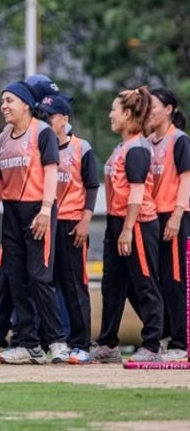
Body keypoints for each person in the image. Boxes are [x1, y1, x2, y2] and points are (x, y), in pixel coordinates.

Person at [0, 81, 68, 365]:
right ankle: (29, 344)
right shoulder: (2, 139)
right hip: (11, 212)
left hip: (38, 209)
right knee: (16, 278)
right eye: (2, 101)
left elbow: (51, 172)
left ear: (26, 104)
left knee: (39, 277)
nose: (4, 106)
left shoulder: (42, 132)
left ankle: (57, 341)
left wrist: (45, 210)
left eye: (10, 100)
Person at [92, 86, 164, 363]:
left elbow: (136, 191)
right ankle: (108, 344)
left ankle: (154, 344)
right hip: (116, 221)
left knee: (145, 284)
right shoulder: (122, 147)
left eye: (114, 110)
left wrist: (127, 230)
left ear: (129, 115)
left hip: (137, 223)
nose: (110, 115)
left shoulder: (138, 148)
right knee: (112, 285)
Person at [39, 94, 98, 364]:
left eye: (50, 116)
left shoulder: (81, 147)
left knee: (75, 286)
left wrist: (85, 221)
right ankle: (51, 341)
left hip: (72, 223)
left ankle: (81, 344)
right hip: (47, 223)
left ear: (64, 118)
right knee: (45, 284)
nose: (46, 120)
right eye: (43, 116)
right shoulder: (40, 146)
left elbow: (92, 186)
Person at [147, 87, 190, 361]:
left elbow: (187, 179)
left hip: (174, 215)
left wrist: (177, 215)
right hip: (151, 217)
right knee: (155, 280)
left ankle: (180, 342)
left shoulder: (179, 140)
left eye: (153, 106)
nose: (149, 111)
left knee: (175, 280)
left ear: (168, 109)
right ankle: (162, 336)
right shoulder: (147, 142)